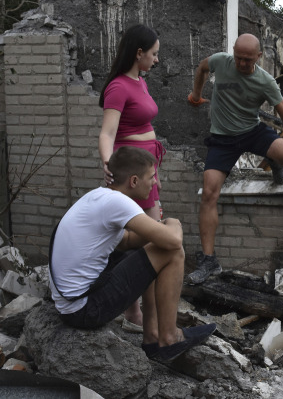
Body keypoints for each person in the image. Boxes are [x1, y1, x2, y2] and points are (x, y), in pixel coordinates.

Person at [49, 146, 216, 363]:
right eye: (151, 177)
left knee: (148, 249)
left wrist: (155, 229)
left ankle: (152, 337)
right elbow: (173, 241)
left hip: (72, 305)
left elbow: (127, 242)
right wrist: (173, 224)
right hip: (85, 310)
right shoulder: (118, 203)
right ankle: (168, 338)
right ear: (134, 181)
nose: (155, 182)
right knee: (173, 252)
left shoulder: (99, 197)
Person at [185, 33, 283, 285]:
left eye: (248, 60)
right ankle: (209, 261)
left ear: (259, 57)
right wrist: (196, 94)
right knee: (209, 193)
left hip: (251, 132)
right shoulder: (221, 61)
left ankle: (274, 160)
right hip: (222, 139)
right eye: (238, 58)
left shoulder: (265, 81)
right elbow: (202, 67)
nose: (242, 64)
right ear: (232, 52)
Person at [98, 23, 165, 327]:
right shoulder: (118, 87)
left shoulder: (141, 82)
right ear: (139, 53)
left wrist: (154, 173)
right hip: (130, 176)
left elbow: (146, 129)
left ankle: (142, 310)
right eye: (153, 54)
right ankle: (136, 311)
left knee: (151, 237)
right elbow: (107, 133)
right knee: (145, 240)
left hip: (145, 171)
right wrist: (108, 164)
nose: (156, 59)